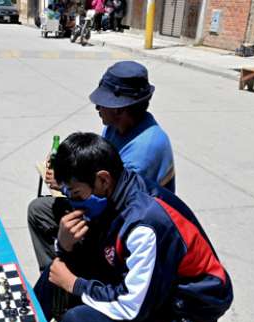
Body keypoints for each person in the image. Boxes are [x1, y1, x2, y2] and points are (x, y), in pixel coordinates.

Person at [32, 132, 233, 322]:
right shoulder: (114, 193)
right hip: (153, 293)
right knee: (56, 271)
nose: (75, 203)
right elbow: (87, 257)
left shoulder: (144, 222)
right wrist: (63, 247)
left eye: (77, 194)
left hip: (186, 316)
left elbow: (131, 306)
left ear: (102, 179)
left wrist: (75, 285)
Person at [28, 61, 175, 271]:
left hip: (123, 221)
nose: (97, 107)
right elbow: (94, 165)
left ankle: (69, 281)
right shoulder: (117, 127)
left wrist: (65, 187)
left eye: (102, 103)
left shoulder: (145, 149)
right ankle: (54, 276)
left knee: (69, 235)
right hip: (105, 204)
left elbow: (109, 204)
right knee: (38, 209)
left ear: (120, 109)